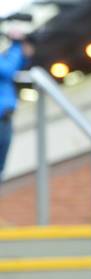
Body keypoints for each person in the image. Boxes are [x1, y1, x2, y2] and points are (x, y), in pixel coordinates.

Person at [0, 30, 33, 184]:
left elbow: (17, 66)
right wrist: (16, 44)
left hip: (5, 118)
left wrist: (21, 48)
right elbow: (7, 70)